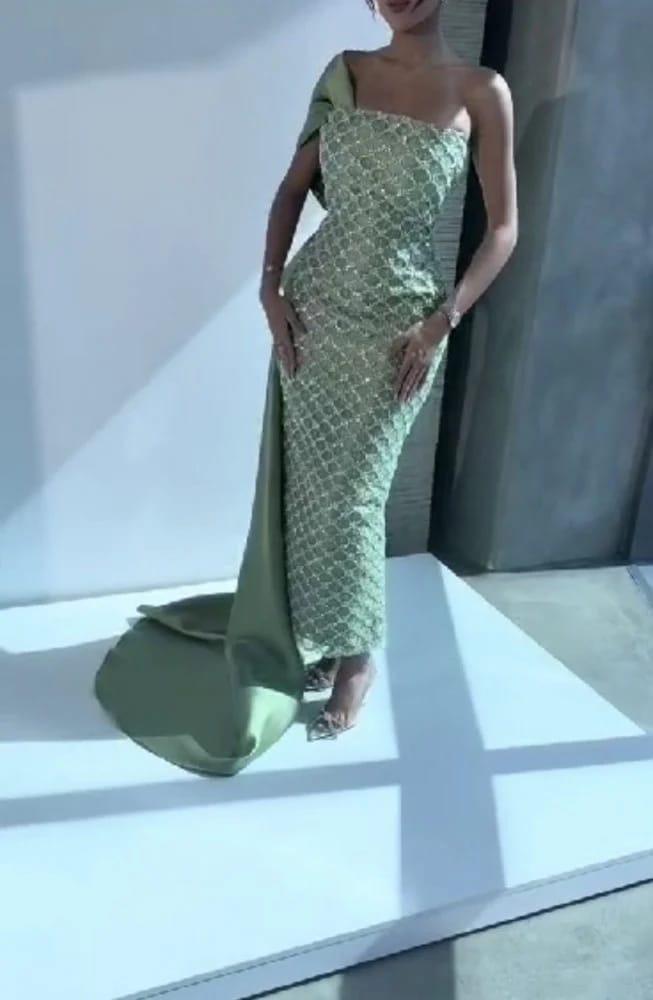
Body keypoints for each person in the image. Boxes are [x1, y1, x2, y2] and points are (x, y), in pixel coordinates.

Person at [93, 0, 517, 774]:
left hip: (400, 327)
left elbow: (502, 229)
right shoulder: (344, 74)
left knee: (354, 493)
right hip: (315, 309)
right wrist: (269, 287)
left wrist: (443, 320)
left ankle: (357, 658)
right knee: (306, 489)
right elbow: (293, 188)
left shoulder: (481, 89)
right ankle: (315, 637)